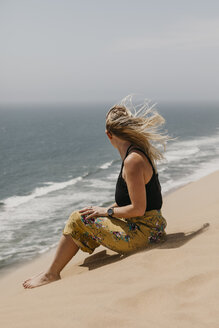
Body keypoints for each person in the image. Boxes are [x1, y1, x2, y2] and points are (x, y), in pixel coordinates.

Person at [23, 100, 168, 289]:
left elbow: (138, 209)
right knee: (89, 214)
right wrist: (102, 211)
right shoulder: (137, 153)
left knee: (77, 218)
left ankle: (51, 275)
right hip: (153, 230)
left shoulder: (132, 161)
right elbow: (141, 202)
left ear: (109, 135)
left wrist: (106, 212)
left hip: (145, 235)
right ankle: (50, 271)